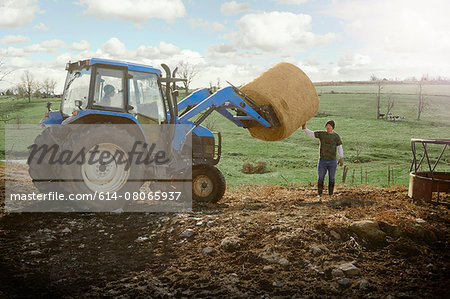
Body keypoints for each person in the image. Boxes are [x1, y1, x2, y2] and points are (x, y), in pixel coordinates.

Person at [302, 120, 344, 197]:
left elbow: (339, 147)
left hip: (332, 161)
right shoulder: (322, 134)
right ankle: (319, 193)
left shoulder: (336, 137)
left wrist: (341, 157)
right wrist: (304, 128)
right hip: (323, 160)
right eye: (327, 125)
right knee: (321, 177)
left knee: (332, 177)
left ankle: (330, 194)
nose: (328, 127)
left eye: (330, 126)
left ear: (333, 127)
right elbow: (312, 134)